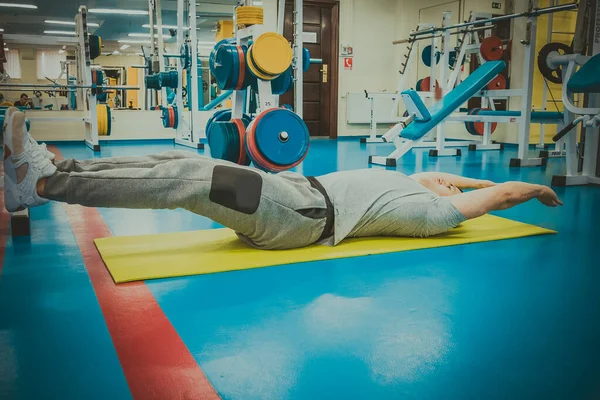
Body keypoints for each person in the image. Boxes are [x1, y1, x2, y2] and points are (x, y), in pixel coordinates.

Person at [2, 108, 562, 250]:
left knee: (189, 182)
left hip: (298, 218)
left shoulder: (436, 215)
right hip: (293, 196)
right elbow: (442, 175)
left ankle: (44, 188)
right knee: (181, 165)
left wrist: (535, 189)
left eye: (457, 190)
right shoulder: (425, 187)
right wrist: (446, 182)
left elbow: (499, 194)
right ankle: (59, 169)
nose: (449, 183)